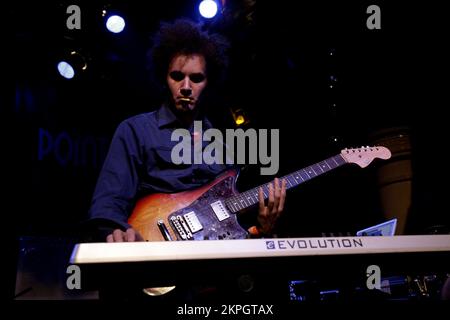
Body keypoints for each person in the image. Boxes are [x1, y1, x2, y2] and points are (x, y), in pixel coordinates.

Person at [87, 18, 287, 244]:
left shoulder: (224, 142)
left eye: (196, 78)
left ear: (208, 83)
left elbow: (227, 225)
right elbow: (107, 203)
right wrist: (119, 231)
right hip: (151, 246)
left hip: (210, 263)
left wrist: (260, 229)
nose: (185, 87)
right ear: (164, 78)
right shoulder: (135, 130)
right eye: (177, 76)